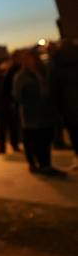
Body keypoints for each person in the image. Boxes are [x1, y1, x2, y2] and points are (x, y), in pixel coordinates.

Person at [13, 49, 63, 176]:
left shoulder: (39, 73)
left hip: (43, 112)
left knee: (44, 139)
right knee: (33, 140)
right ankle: (37, 164)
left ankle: (45, 164)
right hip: (30, 114)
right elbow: (17, 95)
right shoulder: (21, 76)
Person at [51, 39, 78, 170]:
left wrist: (57, 108)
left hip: (69, 106)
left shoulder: (57, 65)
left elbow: (54, 88)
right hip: (69, 103)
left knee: (74, 131)